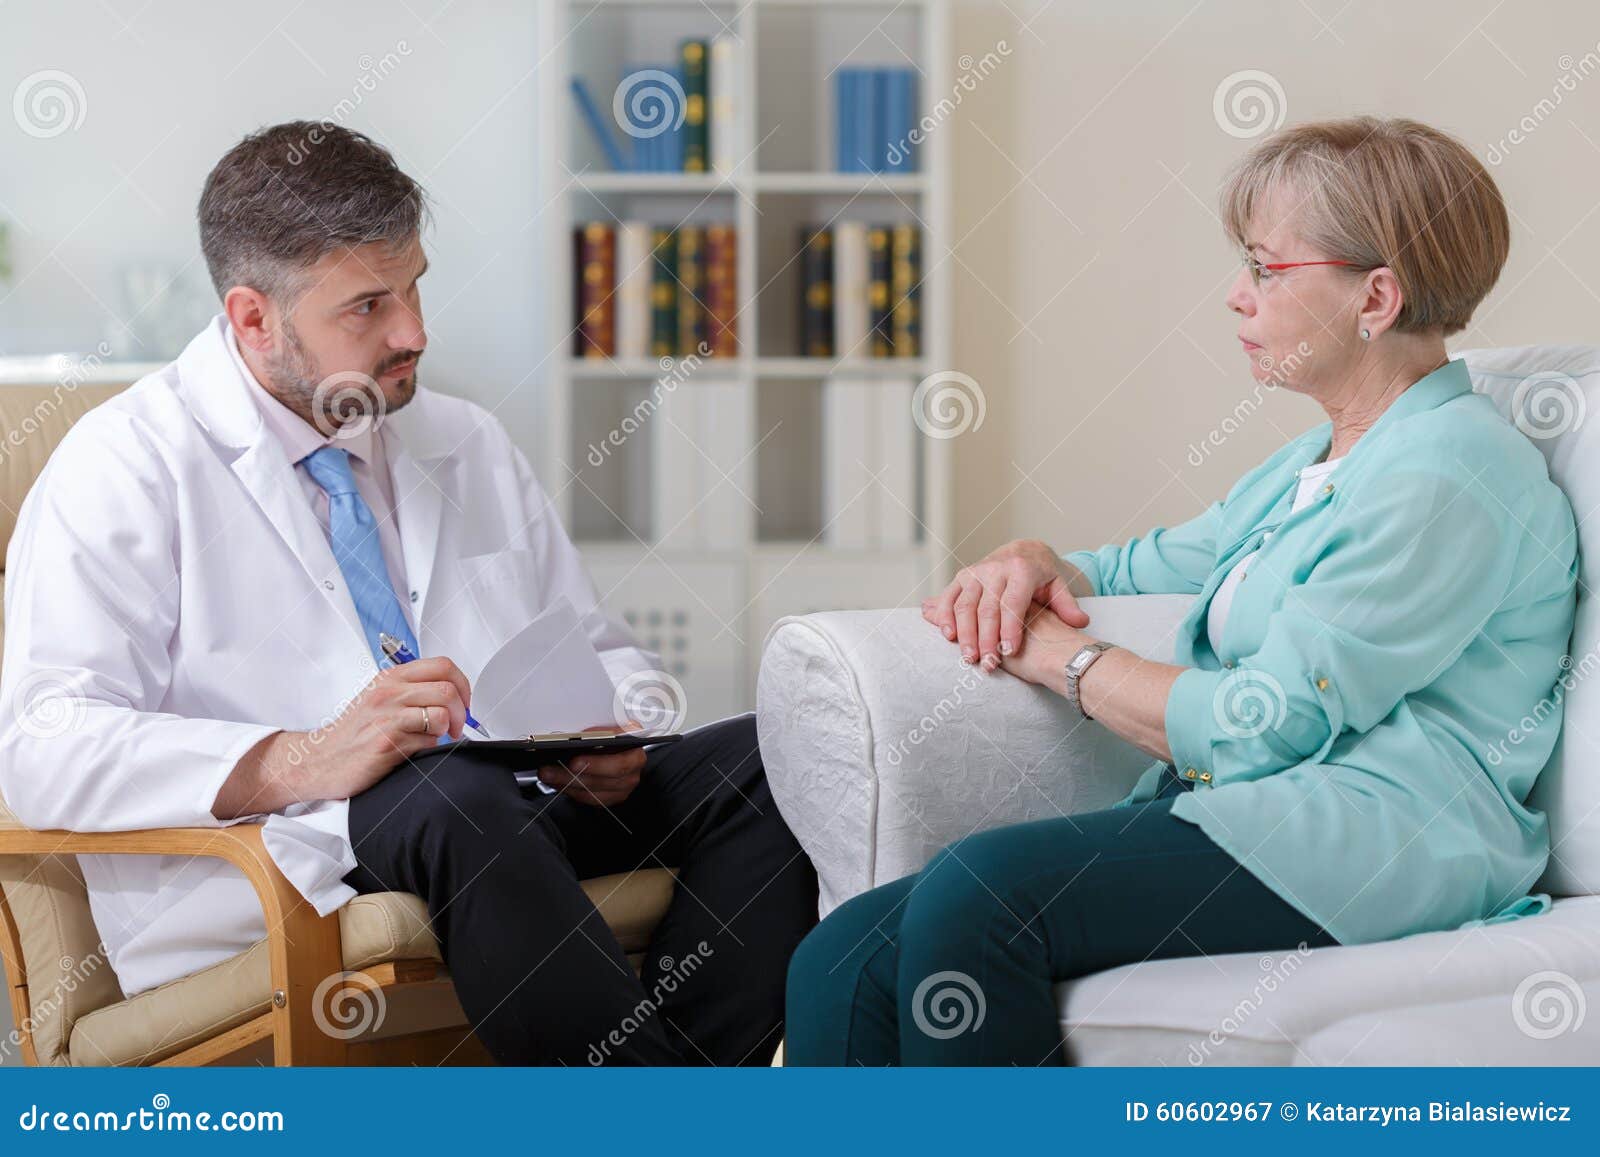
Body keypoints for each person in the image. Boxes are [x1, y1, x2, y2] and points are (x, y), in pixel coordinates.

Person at [0, 121, 816, 1066]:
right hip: (292, 855)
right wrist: (299, 758)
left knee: (782, 753)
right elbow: (41, 745)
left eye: (417, 285)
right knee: (448, 790)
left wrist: (605, 727)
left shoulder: (462, 440)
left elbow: (599, 646)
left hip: (516, 814)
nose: (415, 332)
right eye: (369, 306)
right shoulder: (126, 465)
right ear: (254, 318)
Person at [785, 117, 1578, 1066]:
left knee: (981, 896)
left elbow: (1267, 721)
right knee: (839, 958)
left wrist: (1062, 656)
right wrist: (1036, 563)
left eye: (1266, 270)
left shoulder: (1450, 469)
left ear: (1375, 296)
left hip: (1390, 832)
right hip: (1279, 809)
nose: (1238, 299)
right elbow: (1151, 565)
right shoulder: (1321, 458)